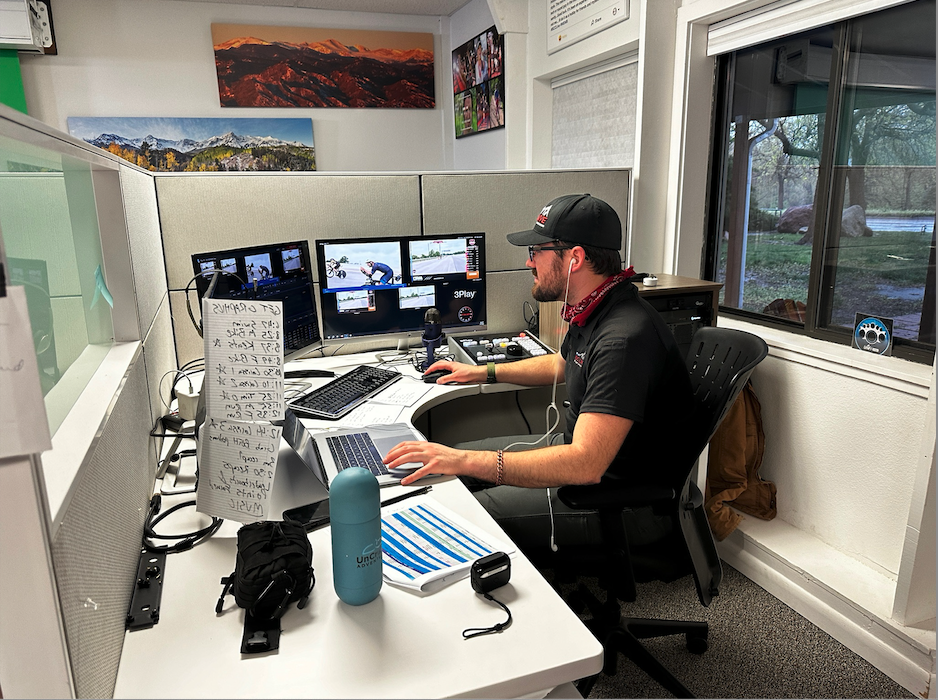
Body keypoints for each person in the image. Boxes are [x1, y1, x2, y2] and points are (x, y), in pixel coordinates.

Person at [384, 194, 695, 559]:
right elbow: (561, 364)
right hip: (584, 462)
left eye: (537, 251)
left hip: (618, 499)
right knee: (459, 460)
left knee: (457, 512)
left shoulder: (623, 338)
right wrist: (481, 371)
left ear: (574, 258)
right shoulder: (598, 307)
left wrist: (467, 462)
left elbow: (585, 463)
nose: (528, 261)